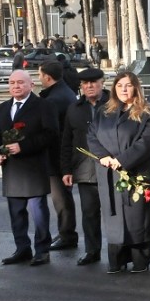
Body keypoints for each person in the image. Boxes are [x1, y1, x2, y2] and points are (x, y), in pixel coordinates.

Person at [87, 72, 150, 274]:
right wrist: (102, 156)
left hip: (135, 170)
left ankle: (140, 260)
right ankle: (116, 260)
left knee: (137, 217)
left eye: (128, 85)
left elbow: (146, 142)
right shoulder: (104, 111)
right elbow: (92, 136)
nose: (124, 89)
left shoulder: (147, 112)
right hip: (109, 172)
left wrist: (122, 160)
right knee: (114, 217)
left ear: (136, 87)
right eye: (119, 86)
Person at [0, 70, 60, 266]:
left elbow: (51, 134)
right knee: (16, 213)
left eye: (21, 82)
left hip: (34, 168)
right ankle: (22, 248)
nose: (16, 86)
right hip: (11, 169)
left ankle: (42, 250)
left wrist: (24, 146)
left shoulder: (44, 106)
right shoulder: (3, 107)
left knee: (38, 212)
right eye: (12, 83)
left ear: (31, 85)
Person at [61, 68, 109, 266]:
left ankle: (120, 251)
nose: (89, 86)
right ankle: (92, 251)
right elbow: (67, 141)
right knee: (89, 213)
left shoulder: (114, 104)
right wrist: (66, 169)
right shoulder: (74, 108)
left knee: (114, 213)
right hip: (84, 169)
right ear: (80, 86)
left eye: (93, 82)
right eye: (85, 83)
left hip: (111, 168)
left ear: (102, 83)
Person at [39, 61, 80, 252]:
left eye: (39, 75)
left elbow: (51, 131)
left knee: (61, 197)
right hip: (64, 153)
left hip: (57, 156)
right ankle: (65, 232)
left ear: (47, 77)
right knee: (63, 196)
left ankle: (67, 234)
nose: (39, 79)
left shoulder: (54, 99)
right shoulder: (65, 92)